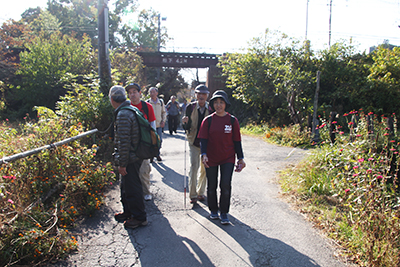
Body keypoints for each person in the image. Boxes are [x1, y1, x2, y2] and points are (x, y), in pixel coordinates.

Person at [198, 90, 246, 225]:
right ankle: (213, 210)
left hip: (228, 157)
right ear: (212, 104)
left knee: (225, 184)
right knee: (211, 185)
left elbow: (237, 141)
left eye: (221, 102)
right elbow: (203, 140)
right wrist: (204, 155)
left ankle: (224, 212)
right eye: (216, 103)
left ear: (225, 104)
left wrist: (240, 158)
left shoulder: (232, 120)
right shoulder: (208, 120)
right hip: (211, 157)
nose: (218, 105)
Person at [108, 85, 147, 229]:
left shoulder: (123, 114)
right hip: (134, 155)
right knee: (126, 186)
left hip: (130, 157)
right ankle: (129, 212)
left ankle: (139, 217)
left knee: (133, 188)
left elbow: (124, 142)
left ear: (112, 99)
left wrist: (122, 163)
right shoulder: (129, 109)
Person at [182, 84, 213, 204]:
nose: (201, 96)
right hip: (193, 141)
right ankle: (193, 195)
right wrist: (184, 123)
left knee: (205, 168)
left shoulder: (210, 108)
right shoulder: (190, 107)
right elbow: (186, 127)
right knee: (194, 167)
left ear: (207, 96)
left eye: (203, 94)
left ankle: (201, 193)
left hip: (207, 143)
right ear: (195, 95)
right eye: (199, 94)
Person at [125, 83, 156, 201]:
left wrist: (153, 143)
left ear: (139, 93)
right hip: (130, 144)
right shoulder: (126, 107)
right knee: (132, 171)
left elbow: (152, 125)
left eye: (134, 92)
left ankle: (146, 191)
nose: (132, 94)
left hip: (144, 144)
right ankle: (135, 193)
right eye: (130, 92)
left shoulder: (147, 106)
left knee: (144, 170)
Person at [146, 87, 166, 162]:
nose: (152, 94)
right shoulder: (147, 102)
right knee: (151, 141)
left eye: (154, 92)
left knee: (159, 140)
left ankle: (157, 154)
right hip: (151, 126)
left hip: (159, 125)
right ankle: (151, 155)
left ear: (157, 93)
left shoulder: (161, 102)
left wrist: (163, 121)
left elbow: (164, 112)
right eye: (151, 92)